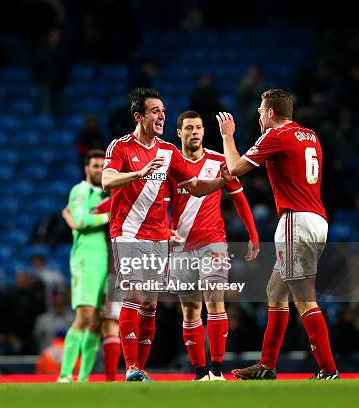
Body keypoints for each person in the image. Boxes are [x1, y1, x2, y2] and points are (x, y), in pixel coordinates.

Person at [101, 88, 233, 382]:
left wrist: (220, 182)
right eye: (154, 111)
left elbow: (196, 185)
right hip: (129, 233)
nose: (161, 115)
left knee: (150, 303)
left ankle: (140, 371)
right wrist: (139, 173)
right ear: (139, 116)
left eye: (163, 110)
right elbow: (107, 179)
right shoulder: (120, 147)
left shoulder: (169, 151)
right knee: (133, 294)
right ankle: (131, 367)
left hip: (159, 236)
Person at [219, 89, 338, 380]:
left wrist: (227, 136)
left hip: (295, 221)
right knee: (275, 292)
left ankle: (328, 369)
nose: (259, 115)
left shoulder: (276, 136)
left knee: (304, 299)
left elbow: (234, 168)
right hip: (317, 220)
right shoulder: (309, 135)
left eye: (261, 111)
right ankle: (267, 365)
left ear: (271, 113)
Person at [166, 111, 259, 381]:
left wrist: (253, 233)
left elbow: (239, 197)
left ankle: (216, 369)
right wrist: (163, 231)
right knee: (190, 309)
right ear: (179, 133)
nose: (195, 132)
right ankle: (198, 372)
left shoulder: (219, 161)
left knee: (215, 302)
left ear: (204, 132)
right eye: (189, 128)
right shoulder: (171, 165)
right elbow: (160, 203)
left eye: (199, 127)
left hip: (214, 242)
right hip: (181, 245)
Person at [57, 149, 117, 382]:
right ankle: (64, 375)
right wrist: (108, 216)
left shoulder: (105, 195)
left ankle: (82, 379)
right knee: (84, 316)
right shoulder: (80, 190)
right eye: (95, 165)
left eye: (103, 165)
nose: (99, 169)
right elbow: (80, 221)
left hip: (108, 260)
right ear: (86, 168)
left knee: (97, 322)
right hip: (87, 259)